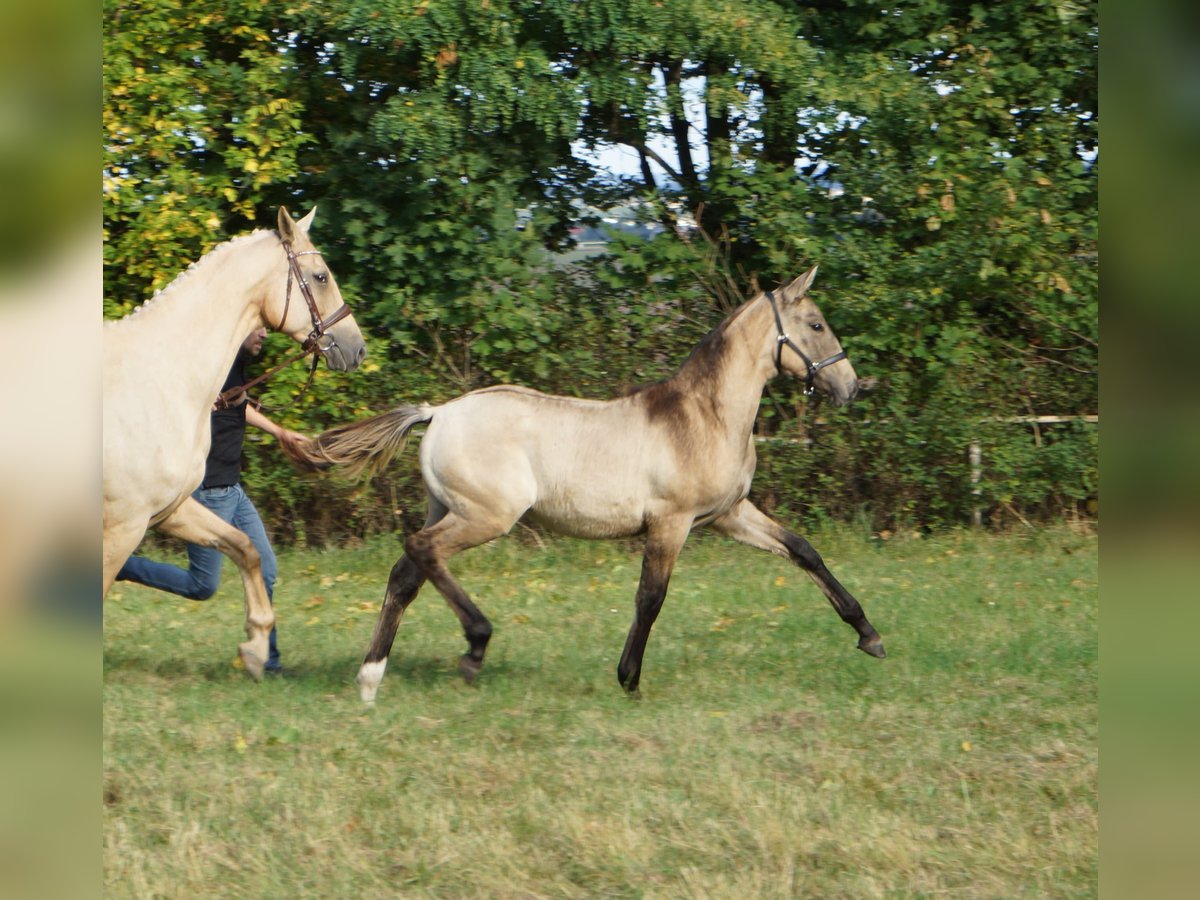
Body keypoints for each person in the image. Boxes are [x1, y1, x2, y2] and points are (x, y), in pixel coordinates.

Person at [116, 327, 307, 674]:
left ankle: (268, 659)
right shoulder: (211, 362)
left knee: (266, 567)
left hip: (232, 488)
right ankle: (120, 566)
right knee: (201, 585)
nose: (264, 334)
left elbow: (239, 404)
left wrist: (279, 431)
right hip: (208, 489)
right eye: (258, 328)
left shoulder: (235, 366)